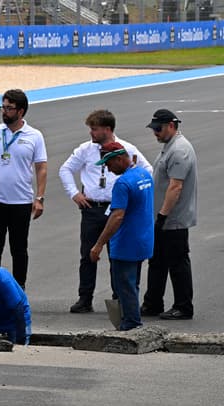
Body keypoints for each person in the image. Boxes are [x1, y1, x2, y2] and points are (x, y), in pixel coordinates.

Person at [59, 109, 152, 313]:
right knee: (87, 254)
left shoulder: (126, 149)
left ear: (107, 129)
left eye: (94, 129)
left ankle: (119, 297)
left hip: (116, 207)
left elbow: (148, 171)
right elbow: (65, 169)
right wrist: (75, 194)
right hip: (92, 207)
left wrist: (132, 195)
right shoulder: (85, 149)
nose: (91, 133)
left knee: (116, 255)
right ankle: (85, 298)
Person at [0, 89, 48, 289]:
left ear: (21, 111)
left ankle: (18, 289)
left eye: (9, 108)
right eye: (2, 107)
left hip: (21, 201)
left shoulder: (34, 136)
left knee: (19, 249)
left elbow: (41, 167)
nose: (4, 112)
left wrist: (39, 197)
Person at [140, 109, 198, 320]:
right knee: (157, 261)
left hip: (173, 219)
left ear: (171, 126)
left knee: (177, 262)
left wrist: (163, 216)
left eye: (158, 128)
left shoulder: (179, 150)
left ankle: (183, 306)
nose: (155, 133)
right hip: (163, 216)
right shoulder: (170, 147)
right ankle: (153, 302)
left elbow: (175, 187)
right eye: (154, 129)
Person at [89, 142, 154, 331]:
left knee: (124, 285)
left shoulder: (123, 183)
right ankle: (131, 319)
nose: (108, 169)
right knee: (133, 284)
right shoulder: (143, 174)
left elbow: (117, 216)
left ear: (119, 159)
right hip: (143, 239)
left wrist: (99, 244)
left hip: (126, 242)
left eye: (109, 164)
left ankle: (131, 324)